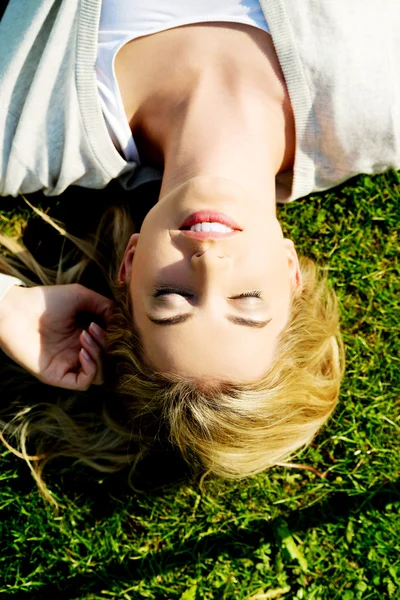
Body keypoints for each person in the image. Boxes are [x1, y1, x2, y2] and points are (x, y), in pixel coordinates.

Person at [0, 0, 398, 501]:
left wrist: (8, 307)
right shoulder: (382, 104)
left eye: (170, 298)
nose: (209, 264)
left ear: (129, 263)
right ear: (291, 271)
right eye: (248, 301)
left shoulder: (26, 127)